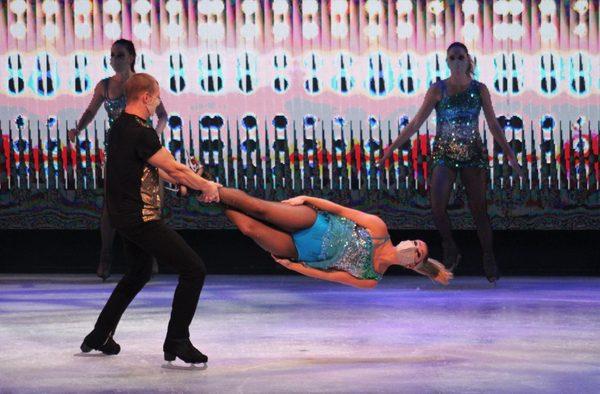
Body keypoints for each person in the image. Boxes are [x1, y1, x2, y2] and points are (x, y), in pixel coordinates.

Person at [80, 73, 220, 365]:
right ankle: (177, 340)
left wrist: (192, 181)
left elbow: (159, 169)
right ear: (145, 97)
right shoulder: (141, 131)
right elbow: (174, 168)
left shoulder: (120, 126)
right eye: (156, 96)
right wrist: (206, 185)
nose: (158, 102)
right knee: (194, 269)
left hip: (124, 217)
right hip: (140, 218)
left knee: (139, 271)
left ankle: (100, 333)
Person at [378, 42, 522, 283]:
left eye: (460, 57)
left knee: (479, 211)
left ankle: (488, 256)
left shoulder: (479, 89)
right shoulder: (438, 89)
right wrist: (389, 150)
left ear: (468, 61)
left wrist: (510, 155)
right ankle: (450, 245)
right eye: (452, 58)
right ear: (447, 62)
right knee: (436, 206)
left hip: (473, 154)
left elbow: (493, 125)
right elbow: (415, 124)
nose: (456, 61)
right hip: (445, 153)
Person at [187, 186, 452, 288]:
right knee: (259, 208)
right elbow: (339, 209)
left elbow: (329, 276)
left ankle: (202, 189)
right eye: (416, 241)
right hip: (315, 223)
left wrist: (296, 267)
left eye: (418, 251)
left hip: (306, 252)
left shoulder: (371, 278)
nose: (414, 245)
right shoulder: (379, 229)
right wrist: (307, 199)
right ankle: (205, 184)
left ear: (412, 264)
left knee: (250, 229)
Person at [68, 39, 168, 281]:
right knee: (111, 205)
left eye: (120, 55)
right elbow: (91, 111)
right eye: (112, 55)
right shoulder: (105, 85)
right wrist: (78, 129)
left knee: (149, 202)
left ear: (131, 57)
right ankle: (105, 256)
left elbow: (163, 115)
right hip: (117, 148)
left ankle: (150, 255)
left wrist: (153, 135)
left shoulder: (143, 83)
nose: (114, 59)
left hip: (143, 150)